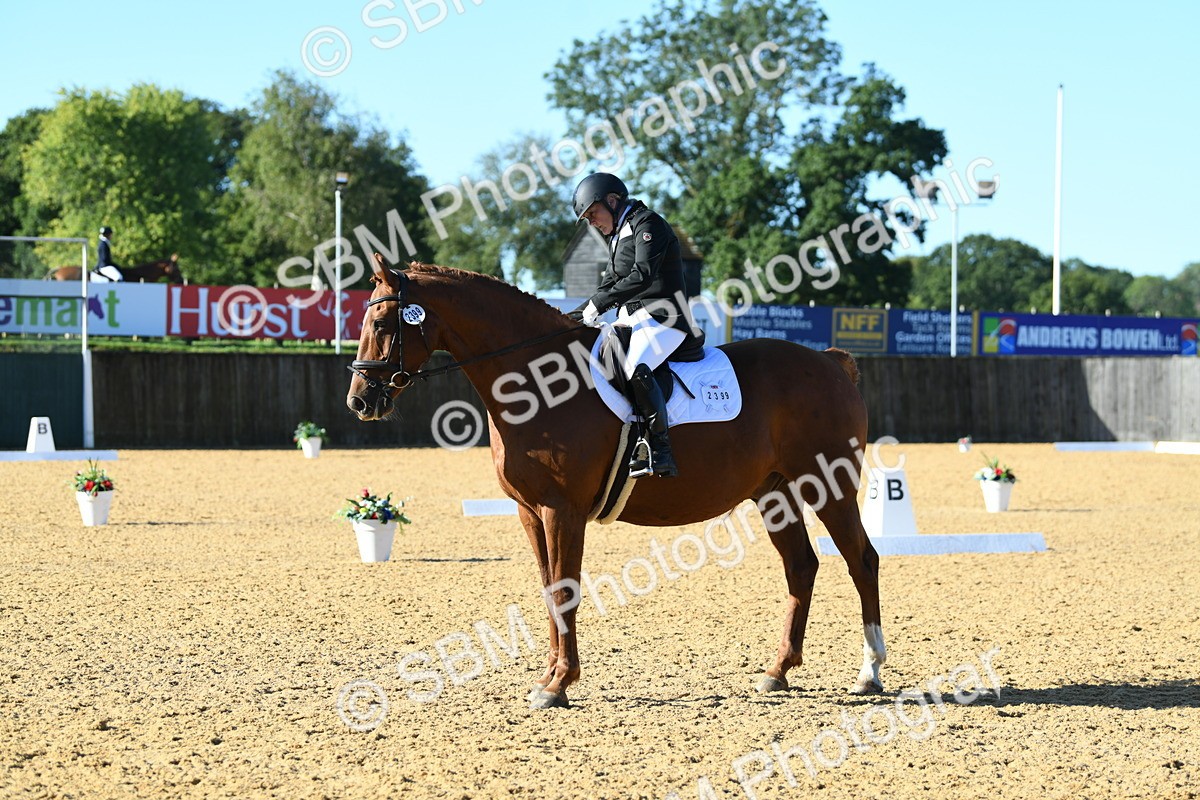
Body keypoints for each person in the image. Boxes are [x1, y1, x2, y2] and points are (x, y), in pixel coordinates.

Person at [569, 173, 705, 479]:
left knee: (634, 368)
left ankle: (660, 449)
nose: (592, 222)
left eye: (593, 213)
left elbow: (643, 275)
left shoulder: (648, 223)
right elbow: (607, 286)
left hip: (664, 318)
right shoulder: (617, 236)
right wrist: (572, 317)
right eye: (587, 218)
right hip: (631, 320)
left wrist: (598, 305)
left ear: (613, 201)